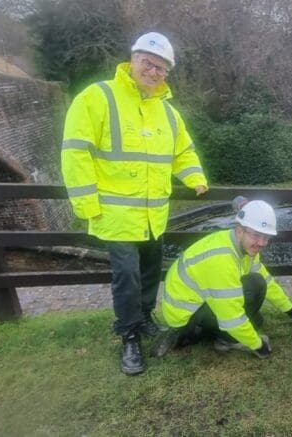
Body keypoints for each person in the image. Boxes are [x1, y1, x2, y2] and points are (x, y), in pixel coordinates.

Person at [61, 32, 208, 375]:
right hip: (115, 216)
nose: (154, 72)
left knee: (150, 270)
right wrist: (86, 205)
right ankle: (129, 335)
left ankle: (143, 318)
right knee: (126, 275)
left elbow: (182, 152)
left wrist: (195, 178)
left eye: (161, 68)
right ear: (132, 60)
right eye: (148, 63)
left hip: (153, 216)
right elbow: (75, 152)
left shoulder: (168, 113)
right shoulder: (97, 98)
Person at [152, 198, 292, 359]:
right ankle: (226, 340)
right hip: (186, 319)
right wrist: (258, 345)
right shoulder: (222, 259)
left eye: (266, 237)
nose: (262, 243)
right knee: (247, 306)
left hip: (196, 304)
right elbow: (232, 318)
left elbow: (267, 282)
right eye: (256, 235)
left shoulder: (243, 247)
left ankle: (219, 332)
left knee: (257, 285)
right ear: (239, 230)